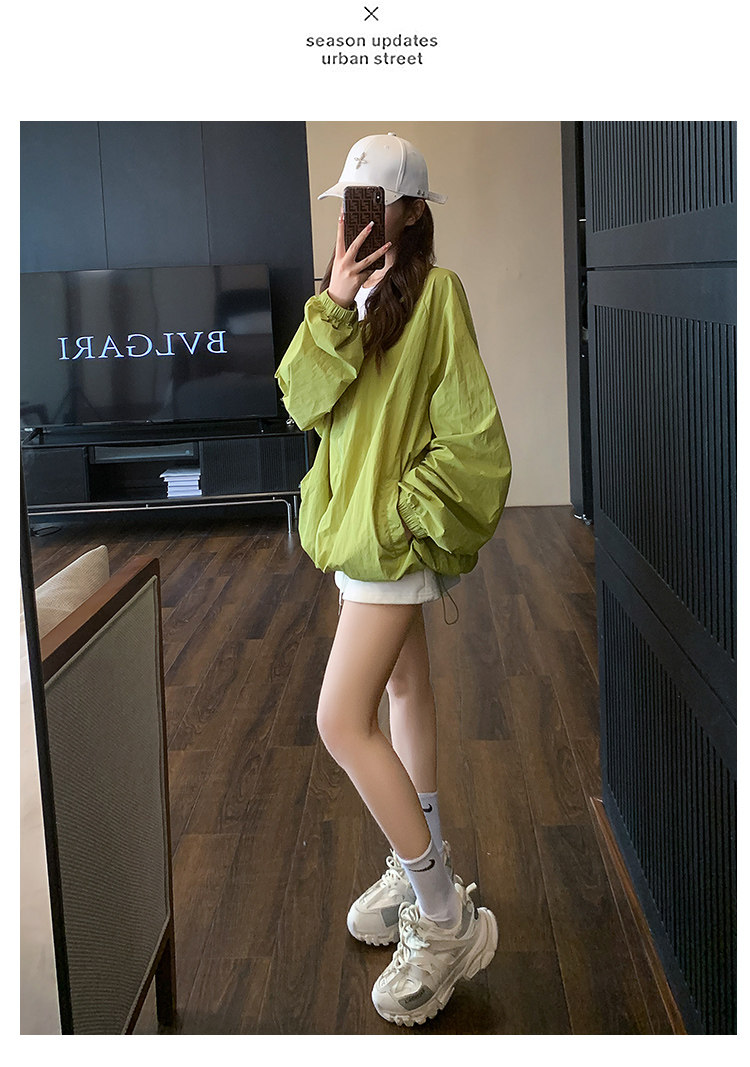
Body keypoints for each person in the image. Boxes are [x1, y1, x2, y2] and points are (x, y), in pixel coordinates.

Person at [274, 132, 512, 1027]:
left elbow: (474, 437)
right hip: (354, 541)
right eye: (349, 203)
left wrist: (401, 515)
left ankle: (445, 918)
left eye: (372, 201)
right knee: (406, 690)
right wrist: (335, 301)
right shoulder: (339, 302)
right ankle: (420, 865)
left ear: (411, 211)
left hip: (387, 543)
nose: (355, 217)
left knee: (340, 719)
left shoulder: (438, 296)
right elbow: (302, 404)